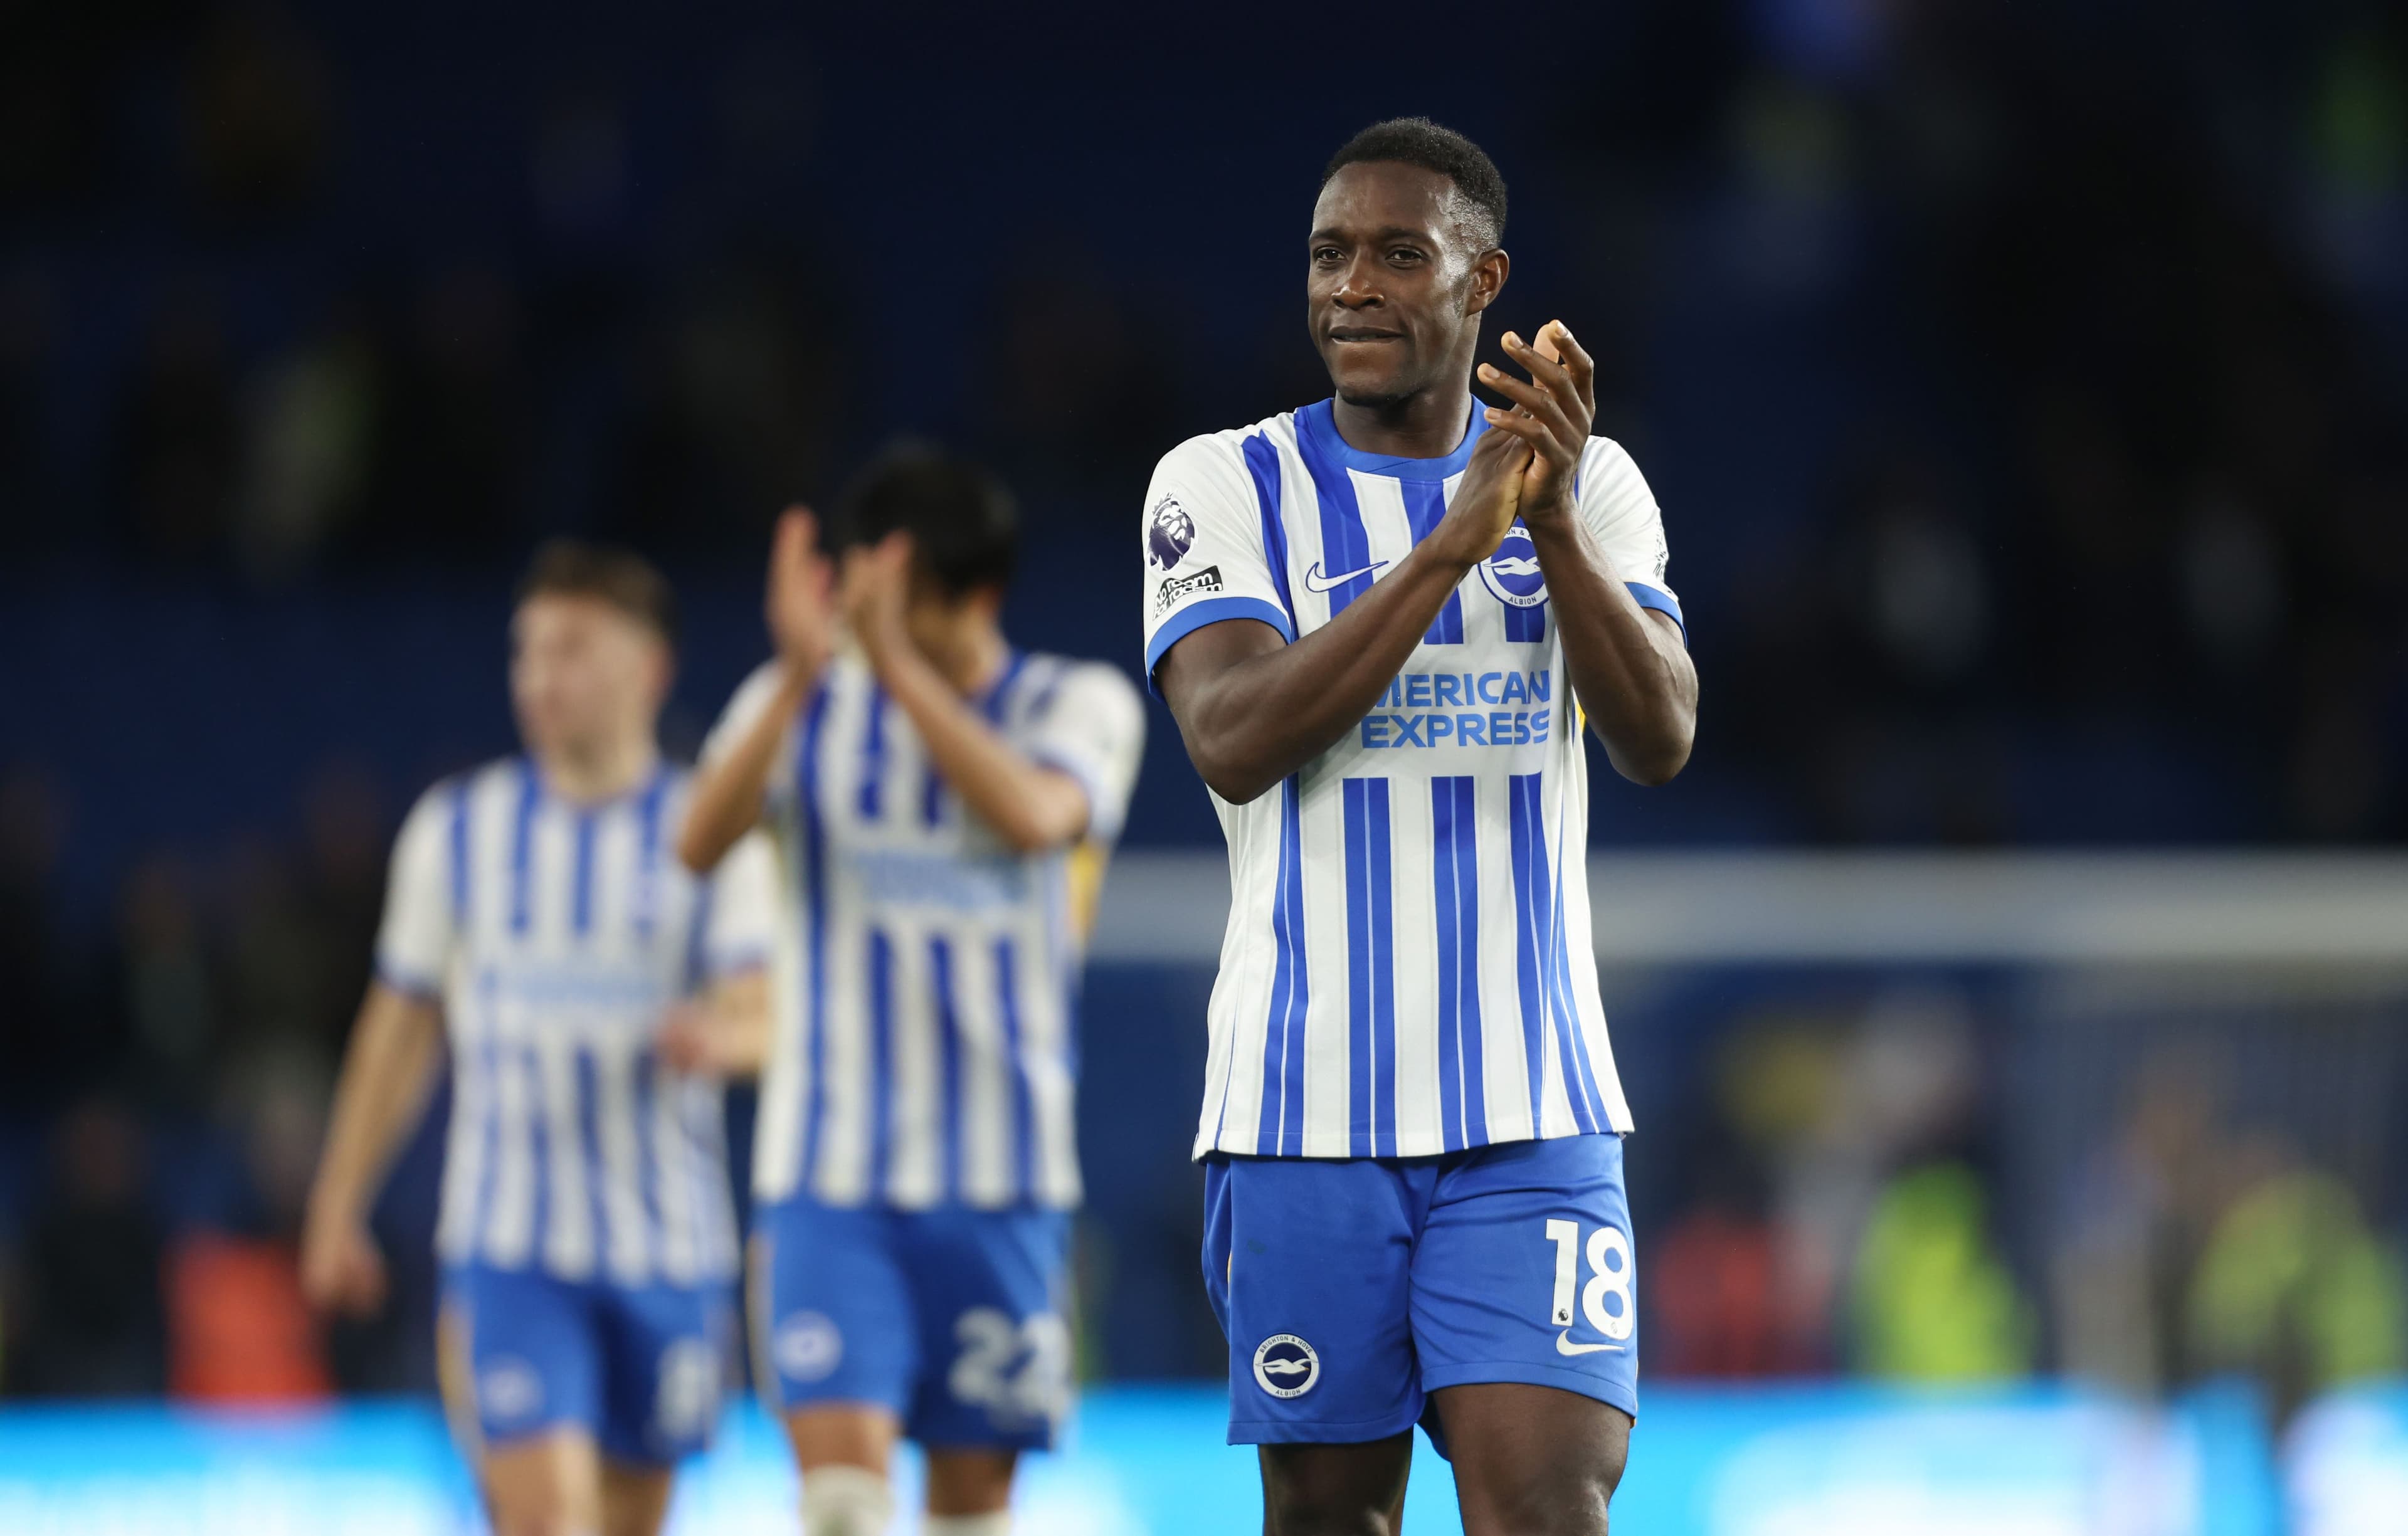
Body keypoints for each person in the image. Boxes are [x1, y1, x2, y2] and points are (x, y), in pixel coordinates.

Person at [1143, 118, 1698, 1535]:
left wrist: (1551, 526)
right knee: (1333, 1520)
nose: (1354, 287)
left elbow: (1660, 738)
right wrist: (1455, 542)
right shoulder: (1222, 484)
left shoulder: (1598, 485)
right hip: (1303, 1111)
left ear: (1483, 280)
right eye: (1331, 255)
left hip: (1535, 1110)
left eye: (1400, 255)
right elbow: (1235, 738)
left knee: (1549, 1512)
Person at [679, 445, 1146, 1536]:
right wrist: (800, 676)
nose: (868, 620)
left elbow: (1036, 818)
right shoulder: (804, 702)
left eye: (901, 602)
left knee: (970, 1515)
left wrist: (897, 670)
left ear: (975, 595)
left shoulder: (1077, 703)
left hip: (1004, 1181)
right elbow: (697, 844)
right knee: (841, 1508)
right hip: (830, 1182)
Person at [301, 540, 776, 1536]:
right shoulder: (457, 829)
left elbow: (766, 1012)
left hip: (669, 1254)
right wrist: (339, 1200)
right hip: (508, 1252)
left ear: (649, 669)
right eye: (527, 653)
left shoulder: (710, 827)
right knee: (546, 1522)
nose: (539, 677)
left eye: (570, 650)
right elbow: (398, 1031)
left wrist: (719, 1040)